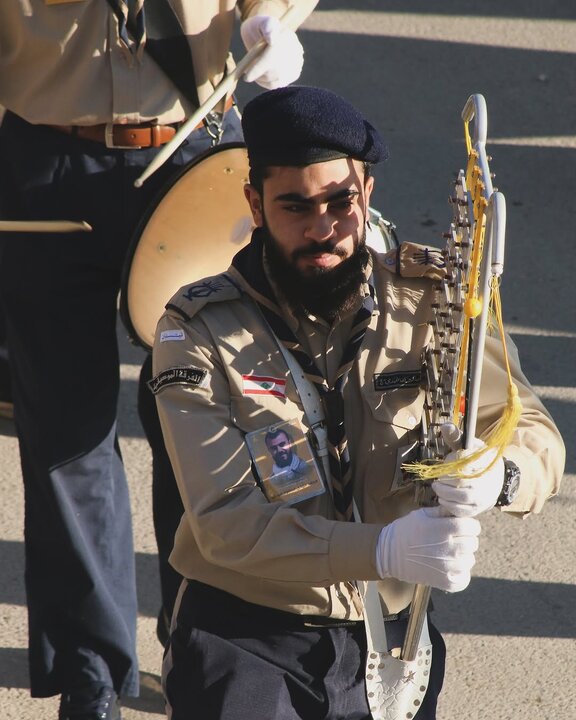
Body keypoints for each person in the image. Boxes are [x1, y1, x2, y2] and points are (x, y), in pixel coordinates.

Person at [150, 86, 565, 719]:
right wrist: (382, 549)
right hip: (248, 632)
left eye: (340, 202)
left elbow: (530, 427)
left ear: (367, 193)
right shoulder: (195, 328)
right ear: (255, 205)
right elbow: (224, 523)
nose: (323, 230)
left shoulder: (432, 298)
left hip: (392, 636)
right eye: (295, 207)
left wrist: (500, 475)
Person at [0, 2, 317, 719]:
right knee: (65, 435)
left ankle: (208, 649)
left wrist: (271, 17)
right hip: (46, 161)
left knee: (203, 421)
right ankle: (92, 675)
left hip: (193, 149)